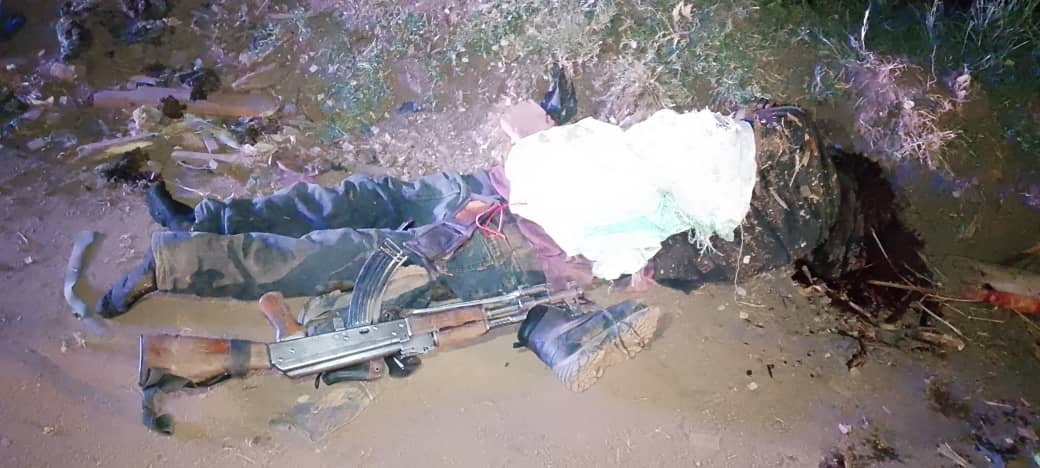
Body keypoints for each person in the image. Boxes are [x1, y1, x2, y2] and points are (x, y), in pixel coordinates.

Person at [95, 100, 843, 391]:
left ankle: (184, 250)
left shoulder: (708, 156)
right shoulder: (729, 201)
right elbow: (641, 247)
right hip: (497, 213)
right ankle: (194, 236)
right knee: (347, 223)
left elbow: (612, 196)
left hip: (499, 209)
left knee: (350, 226)